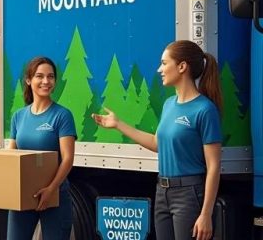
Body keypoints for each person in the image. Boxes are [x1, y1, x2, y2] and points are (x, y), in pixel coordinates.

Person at [92, 40, 222, 240]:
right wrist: (118, 124)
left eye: (164, 63)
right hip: (162, 192)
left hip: (189, 195)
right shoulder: (169, 104)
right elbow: (158, 144)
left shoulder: (205, 110)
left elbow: (214, 166)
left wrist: (205, 214)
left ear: (182, 67)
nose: (159, 69)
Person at [6, 57, 76, 240]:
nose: (46, 81)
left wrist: (51, 189)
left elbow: (68, 159)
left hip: (55, 197)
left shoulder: (62, 115)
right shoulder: (18, 117)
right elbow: (11, 156)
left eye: (50, 77)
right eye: (40, 76)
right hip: (23, 196)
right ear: (29, 80)